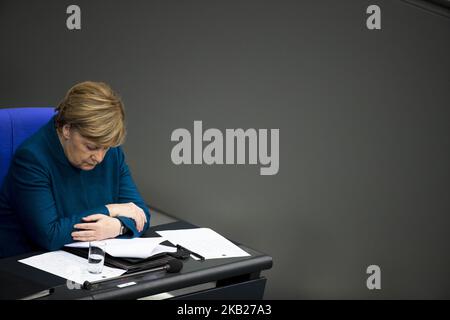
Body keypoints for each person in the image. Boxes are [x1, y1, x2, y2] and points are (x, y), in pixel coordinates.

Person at [0, 81, 151, 258]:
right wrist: (111, 210)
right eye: (90, 147)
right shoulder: (31, 160)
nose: (100, 157)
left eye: (106, 148)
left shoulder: (109, 149)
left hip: (87, 260)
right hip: (30, 266)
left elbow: (140, 212)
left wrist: (118, 226)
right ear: (67, 130)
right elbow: (50, 235)